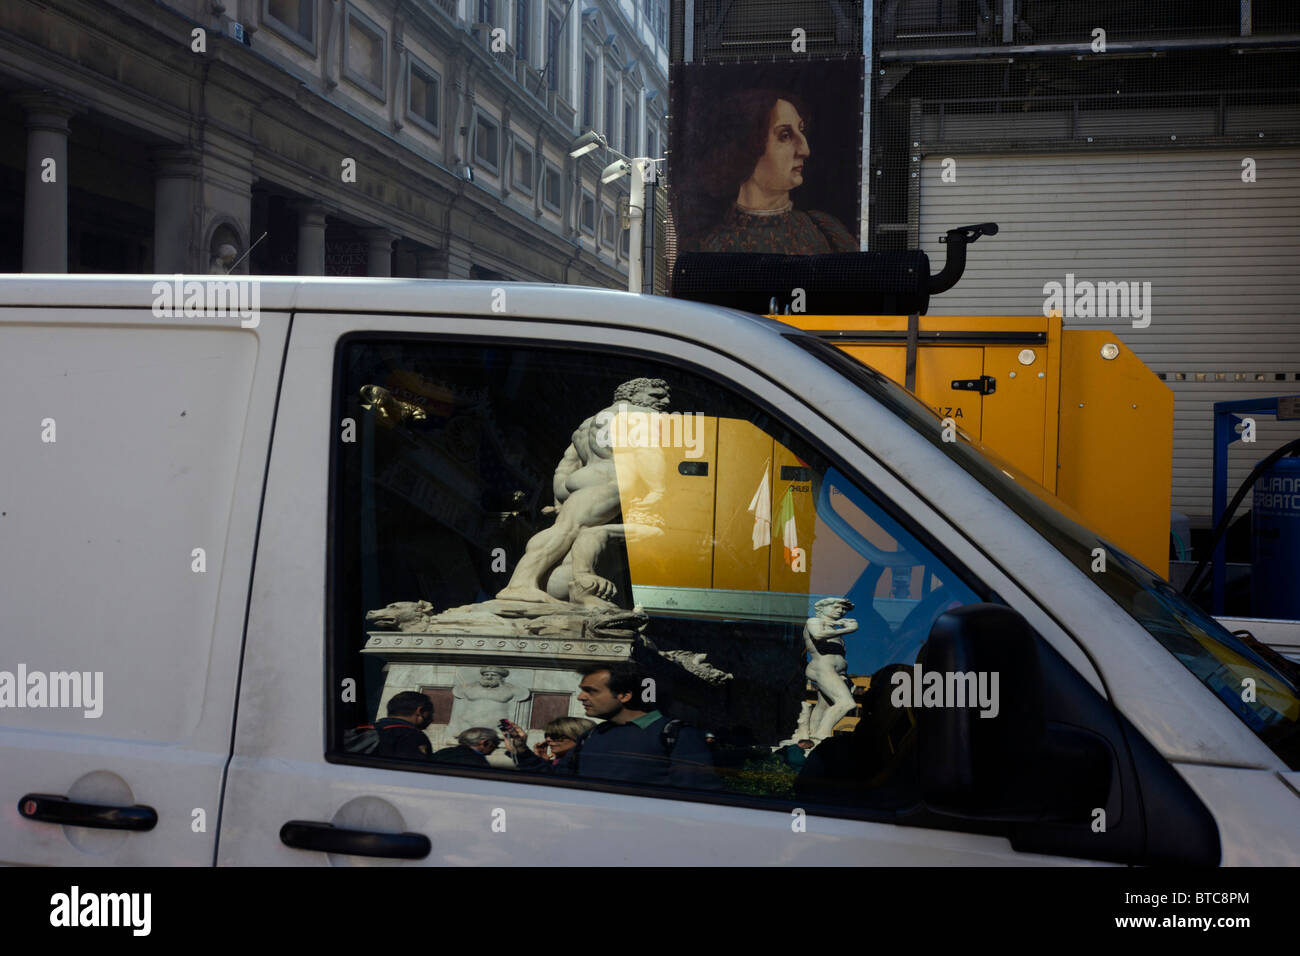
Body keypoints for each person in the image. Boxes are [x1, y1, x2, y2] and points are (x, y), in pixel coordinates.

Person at [688, 90, 857, 255]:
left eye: (801, 130)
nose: (805, 150)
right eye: (785, 135)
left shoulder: (824, 232)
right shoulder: (712, 247)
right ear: (747, 148)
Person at [505, 663, 721, 790]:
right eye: (582, 690)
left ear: (625, 695)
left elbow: (696, 797)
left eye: (591, 691)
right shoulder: (592, 736)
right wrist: (521, 751)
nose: (581, 697)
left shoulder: (676, 734)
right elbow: (559, 780)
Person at [805, 597, 860, 740]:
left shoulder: (833, 628)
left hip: (836, 672)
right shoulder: (814, 621)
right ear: (823, 608)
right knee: (846, 702)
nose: (841, 611)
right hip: (823, 668)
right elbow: (818, 635)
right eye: (836, 607)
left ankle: (811, 736)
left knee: (825, 706)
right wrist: (847, 629)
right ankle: (822, 734)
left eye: (843, 609)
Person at [371, 691, 435, 759]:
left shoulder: (367, 729)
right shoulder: (413, 736)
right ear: (420, 711)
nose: (432, 719)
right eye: (430, 713)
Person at [431, 727, 503, 767]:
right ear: (484, 742)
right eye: (496, 743)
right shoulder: (478, 763)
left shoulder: (442, 752)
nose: (496, 747)